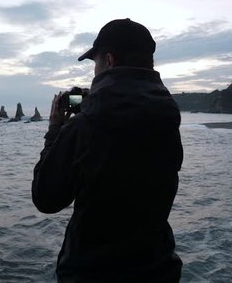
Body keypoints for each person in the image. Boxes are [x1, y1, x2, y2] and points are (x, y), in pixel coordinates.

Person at [31, 18, 183, 282]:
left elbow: (46, 198)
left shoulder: (87, 124)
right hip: (158, 269)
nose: (95, 72)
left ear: (109, 61)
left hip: (92, 273)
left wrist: (56, 130)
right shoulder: (167, 116)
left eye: (96, 63)